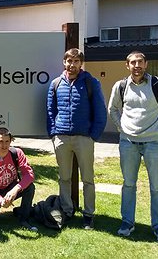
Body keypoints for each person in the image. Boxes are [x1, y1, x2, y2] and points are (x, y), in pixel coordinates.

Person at [108, 51, 158, 243]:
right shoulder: (121, 86)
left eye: (140, 62)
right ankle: (127, 223)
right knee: (128, 184)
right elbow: (112, 109)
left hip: (155, 143)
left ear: (146, 64)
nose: (137, 66)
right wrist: (121, 127)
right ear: (127, 65)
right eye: (133, 63)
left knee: (157, 187)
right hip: (128, 143)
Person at [46, 48, 107, 229]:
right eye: (69, 61)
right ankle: (67, 210)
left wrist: (93, 136)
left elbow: (101, 112)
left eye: (76, 61)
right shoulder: (56, 83)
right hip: (62, 137)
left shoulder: (91, 82)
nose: (72, 65)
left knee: (87, 178)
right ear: (64, 62)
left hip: (84, 138)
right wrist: (54, 134)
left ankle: (88, 214)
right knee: (64, 177)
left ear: (81, 64)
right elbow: (50, 111)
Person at [0, 127, 37, 231]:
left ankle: (24, 218)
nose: (4, 145)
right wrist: (1, 200)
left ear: (11, 141)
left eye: (7, 142)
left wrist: (16, 189)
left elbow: (29, 175)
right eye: (1, 141)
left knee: (30, 187)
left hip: (11, 187)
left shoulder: (17, 153)